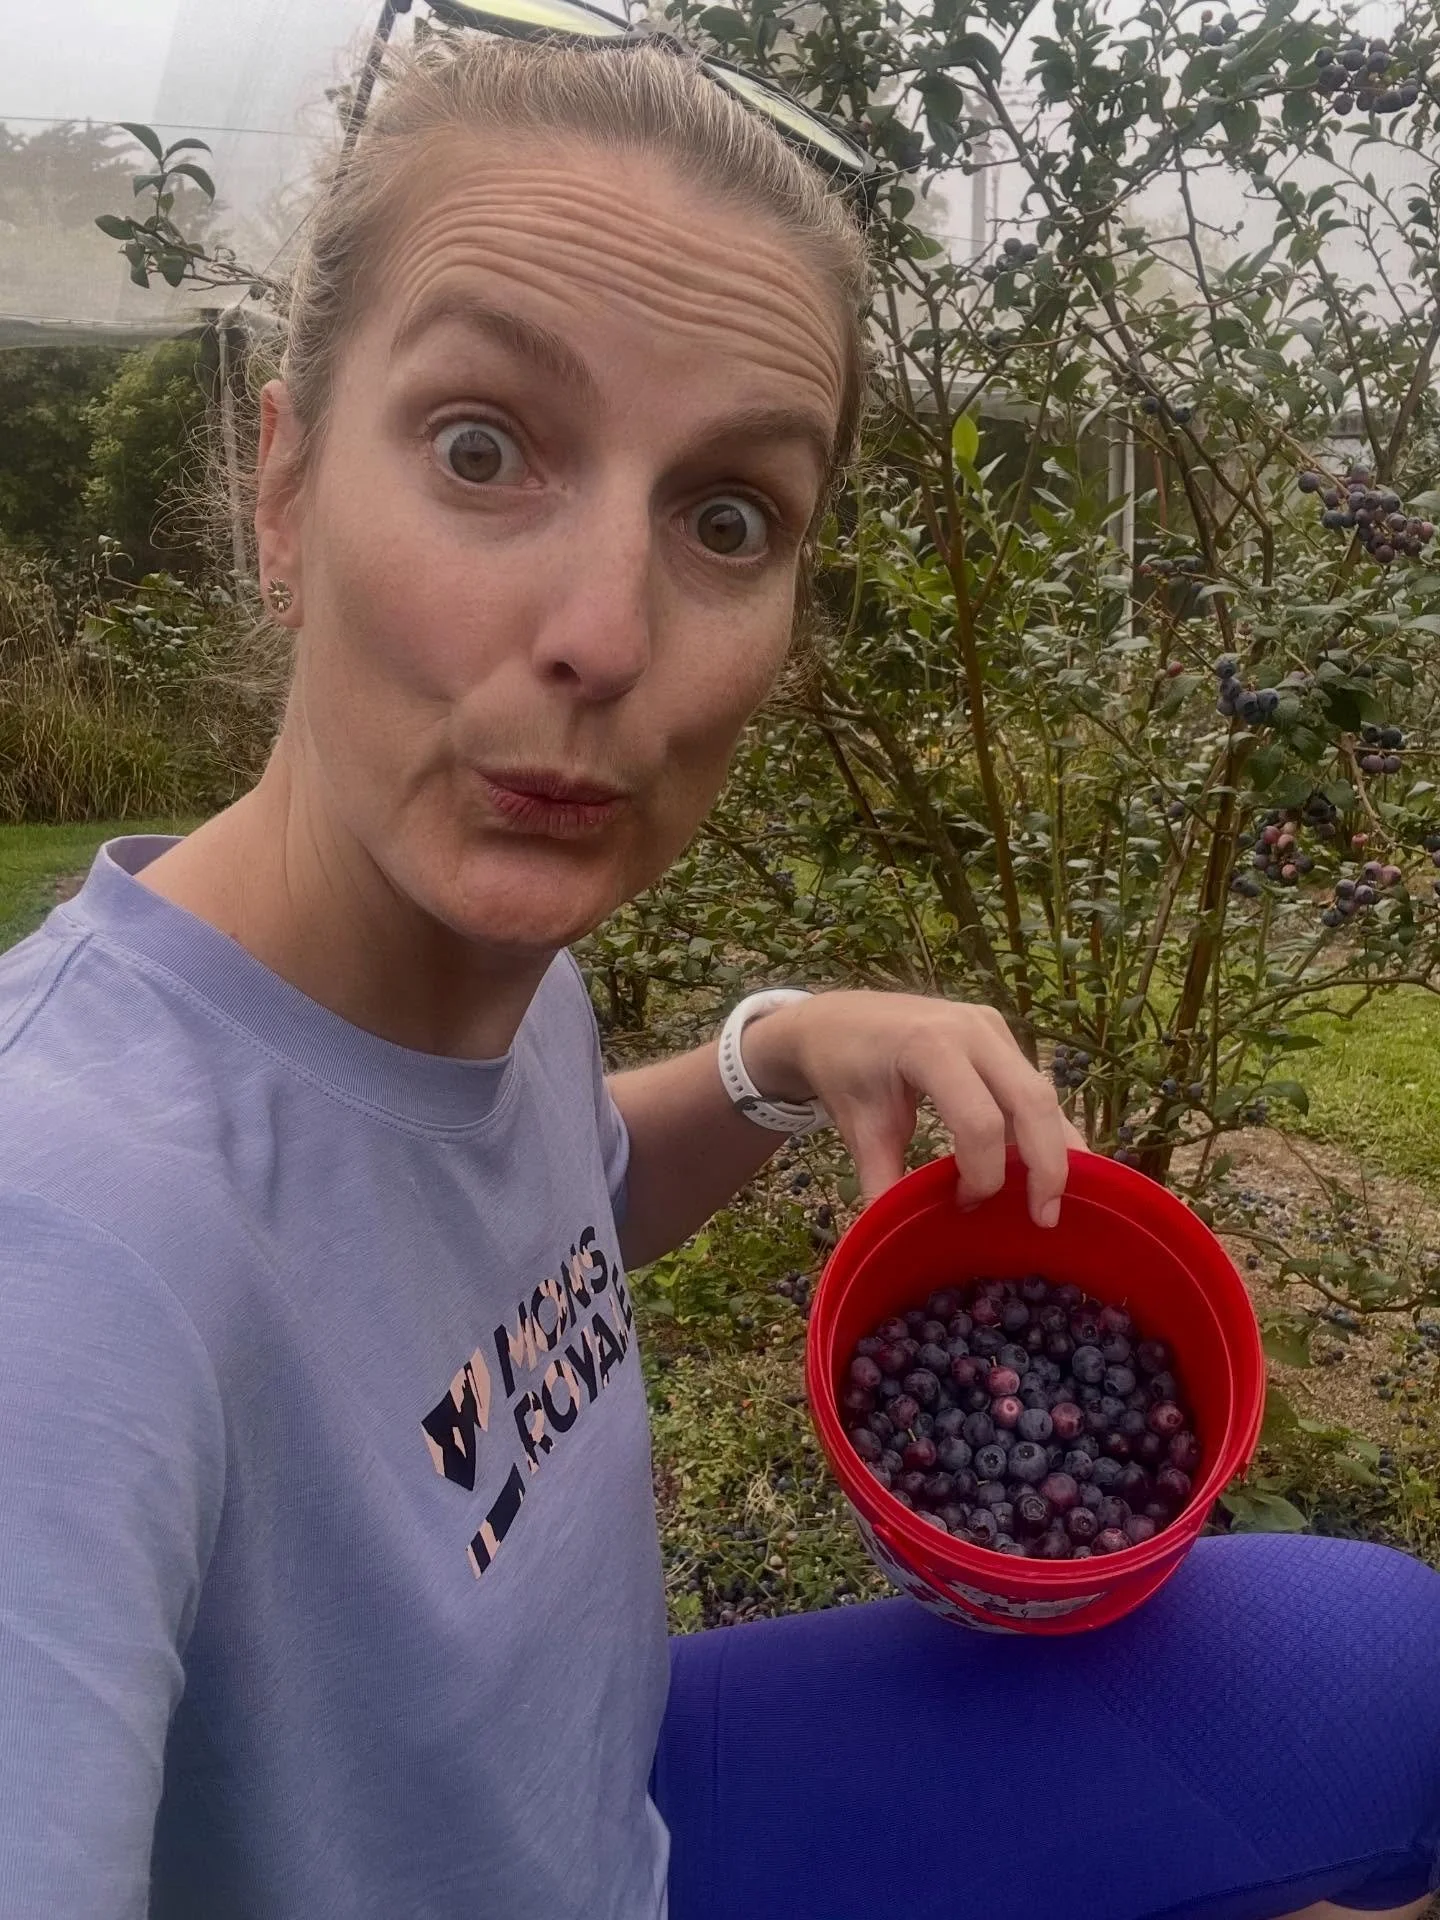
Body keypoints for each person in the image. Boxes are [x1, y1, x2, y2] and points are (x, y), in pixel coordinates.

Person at [0, 28, 1434, 1920]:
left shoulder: (486, 973)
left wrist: (777, 1052)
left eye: (728, 515)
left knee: (1386, 1664)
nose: (607, 635)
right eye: (482, 448)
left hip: (613, 1798)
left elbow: (512, 1215)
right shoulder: (64, 1244)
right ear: (283, 484)